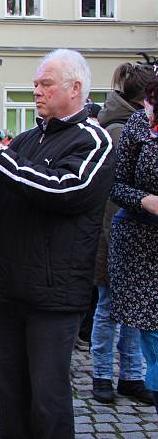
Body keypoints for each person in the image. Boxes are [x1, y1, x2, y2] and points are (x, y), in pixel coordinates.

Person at [0, 49, 114, 438]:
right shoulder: (28, 139)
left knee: (48, 400)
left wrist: (1, 158)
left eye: (45, 84)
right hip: (11, 288)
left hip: (54, 294)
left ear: (75, 88)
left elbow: (65, 190)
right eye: (35, 85)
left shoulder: (94, 141)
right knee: (11, 394)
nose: (37, 92)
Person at [90, 63, 154, 405]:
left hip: (135, 232)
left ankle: (131, 375)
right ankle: (102, 375)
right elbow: (114, 190)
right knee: (109, 307)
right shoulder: (121, 129)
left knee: (135, 310)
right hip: (115, 233)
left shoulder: (137, 124)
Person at [108, 67, 158, 415]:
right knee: (153, 337)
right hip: (141, 244)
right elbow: (115, 184)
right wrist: (145, 200)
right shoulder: (139, 126)